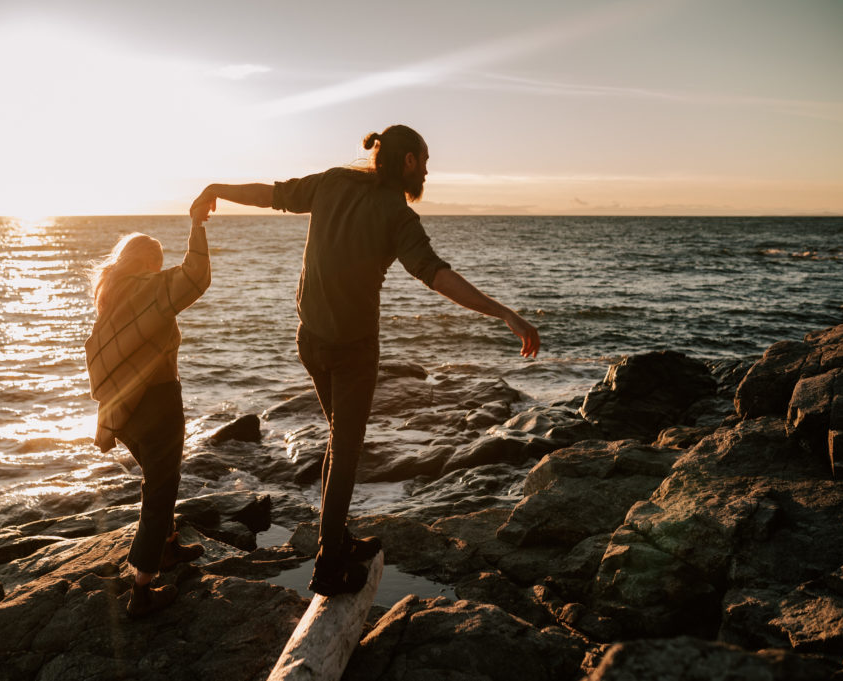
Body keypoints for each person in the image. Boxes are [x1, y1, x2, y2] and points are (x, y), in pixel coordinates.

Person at [190, 124, 539, 596]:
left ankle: (336, 537)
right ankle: (329, 565)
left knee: (340, 443)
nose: (429, 171)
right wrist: (504, 313)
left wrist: (217, 190)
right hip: (352, 351)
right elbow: (436, 274)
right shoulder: (397, 214)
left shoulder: (333, 181)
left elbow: (272, 194)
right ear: (410, 161)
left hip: (308, 341)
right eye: (426, 161)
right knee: (346, 451)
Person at [84, 216, 212, 618]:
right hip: (157, 404)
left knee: (158, 479)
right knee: (161, 487)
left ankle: (168, 545)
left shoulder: (111, 294)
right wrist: (197, 226)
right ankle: (142, 587)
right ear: (151, 264)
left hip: (124, 412)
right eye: (158, 264)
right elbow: (195, 277)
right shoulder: (149, 288)